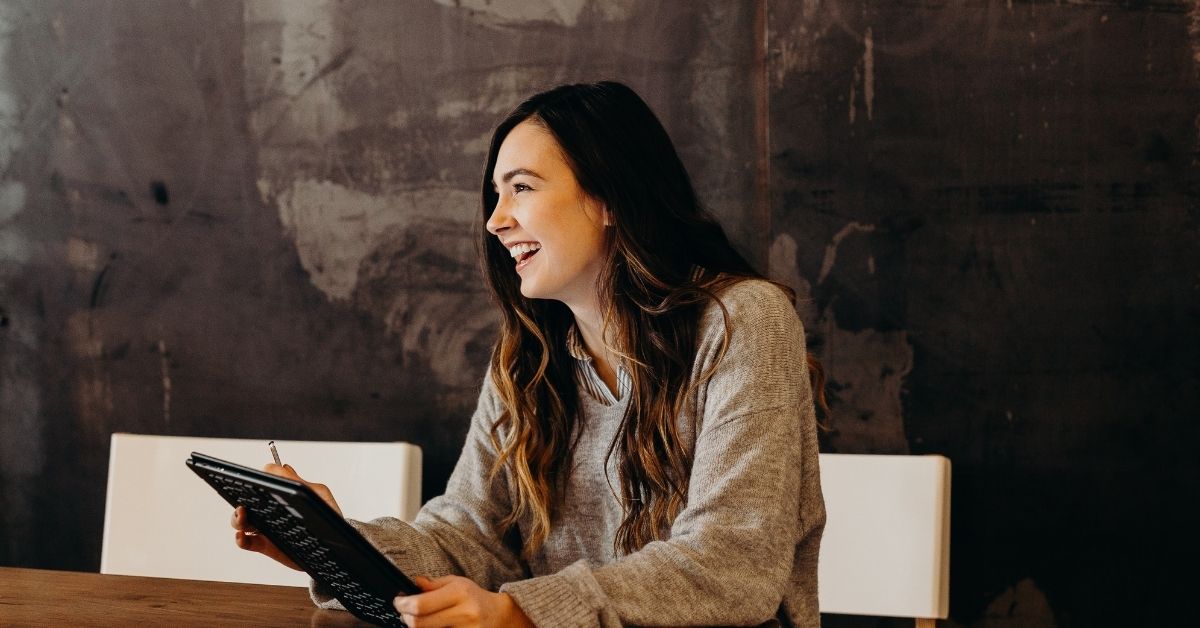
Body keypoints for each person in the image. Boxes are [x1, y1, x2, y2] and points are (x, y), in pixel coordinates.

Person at [233, 81, 827, 627]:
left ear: (608, 197)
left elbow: (731, 565)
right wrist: (334, 545)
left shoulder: (742, 321)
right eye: (496, 194)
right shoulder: (529, 357)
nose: (495, 221)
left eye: (521, 187)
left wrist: (519, 613)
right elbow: (468, 539)